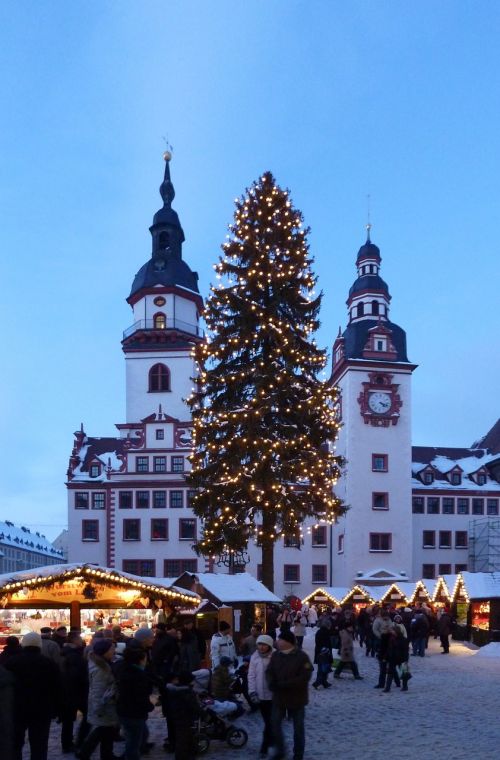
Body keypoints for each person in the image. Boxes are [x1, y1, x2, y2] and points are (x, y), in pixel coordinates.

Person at [5, 631, 62, 760]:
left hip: (18, 708)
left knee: (16, 743)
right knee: (39, 744)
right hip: (42, 709)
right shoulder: (48, 663)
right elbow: (57, 687)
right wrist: (59, 708)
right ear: (39, 645)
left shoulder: (12, 662)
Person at [266, 630, 313, 760]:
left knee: (298, 728)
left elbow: (305, 676)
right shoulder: (276, 655)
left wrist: (285, 684)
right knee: (275, 724)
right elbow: (269, 671)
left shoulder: (302, 656)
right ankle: (280, 750)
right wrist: (271, 683)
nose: (277, 641)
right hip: (279, 698)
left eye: (280, 639)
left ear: (288, 642)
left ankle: (298, 754)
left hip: (297, 698)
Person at [76, 638, 119, 760]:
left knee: (107, 729)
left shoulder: (103, 663)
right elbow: (97, 690)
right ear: (104, 651)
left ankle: (106, 754)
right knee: (103, 729)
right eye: (111, 649)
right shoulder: (100, 669)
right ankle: (85, 753)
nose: (114, 650)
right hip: (103, 704)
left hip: (106, 703)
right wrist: (98, 708)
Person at [116, 644, 154, 760]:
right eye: (145, 658)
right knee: (133, 741)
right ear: (140, 660)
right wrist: (148, 706)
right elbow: (139, 695)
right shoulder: (137, 675)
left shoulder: (125, 669)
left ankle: (132, 753)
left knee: (141, 734)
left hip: (125, 710)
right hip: (133, 712)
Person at [60, 631, 89, 754]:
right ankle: (77, 741)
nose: (81, 641)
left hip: (67, 691)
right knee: (85, 716)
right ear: (75, 640)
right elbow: (76, 675)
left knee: (68, 719)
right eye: (79, 639)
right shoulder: (74, 655)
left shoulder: (65, 652)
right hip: (76, 691)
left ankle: (68, 743)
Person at [164, 671, 203, 760]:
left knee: (187, 738)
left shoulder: (174, 689)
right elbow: (194, 706)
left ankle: (190, 755)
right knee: (183, 741)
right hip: (184, 718)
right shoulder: (187, 691)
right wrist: (204, 714)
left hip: (177, 717)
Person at [248, 634, 274, 758]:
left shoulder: (275, 656)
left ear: (269, 645)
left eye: (264, 645)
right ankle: (269, 742)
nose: (261, 647)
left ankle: (265, 747)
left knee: (270, 723)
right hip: (261, 696)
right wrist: (252, 691)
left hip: (274, 696)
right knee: (268, 722)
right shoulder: (254, 657)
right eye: (259, 644)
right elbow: (251, 676)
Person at [312, 619, 332, 689]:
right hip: (324, 653)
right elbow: (326, 643)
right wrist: (327, 651)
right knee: (323, 668)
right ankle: (317, 682)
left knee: (323, 668)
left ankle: (324, 682)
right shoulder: (325, 632)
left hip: (320, 652)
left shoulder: (320, 631)